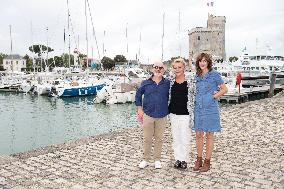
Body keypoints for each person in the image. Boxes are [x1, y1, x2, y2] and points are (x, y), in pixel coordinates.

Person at [193, 53, 228, 172]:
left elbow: (224, 89)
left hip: (210, 109)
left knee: (209, 135)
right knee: (198, 134)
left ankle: (207, 162)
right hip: (198, 108)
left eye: (204, 61)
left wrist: (214, 96)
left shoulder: (215, 75)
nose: (202, 63)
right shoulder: (196, 76)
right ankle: (199, 159)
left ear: (208, 62)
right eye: (200, 61)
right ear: (198, 63)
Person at [135, 60, 170, 169]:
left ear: (163, 70)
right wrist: (139, 109)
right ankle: (145, 159)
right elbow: (138, 95)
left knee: (159, 138)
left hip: (162, 114)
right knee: (147, 138)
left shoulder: (168, 83)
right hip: (148, 114)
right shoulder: (145, 82)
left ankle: (157, 159)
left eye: (160, 68)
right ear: (152, 68)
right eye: (156, 67)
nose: (158, 69)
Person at [168, 58, 196, 169]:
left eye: (179, 67)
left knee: (185, 137)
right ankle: (177, 159)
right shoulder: (170, 80)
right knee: (176, 137)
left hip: (186, 114)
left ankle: (184, 159)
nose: (177, 69)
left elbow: (195, 94)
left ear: (184, 67)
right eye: (175, 68)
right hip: (173, 113)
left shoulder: (190, 80)